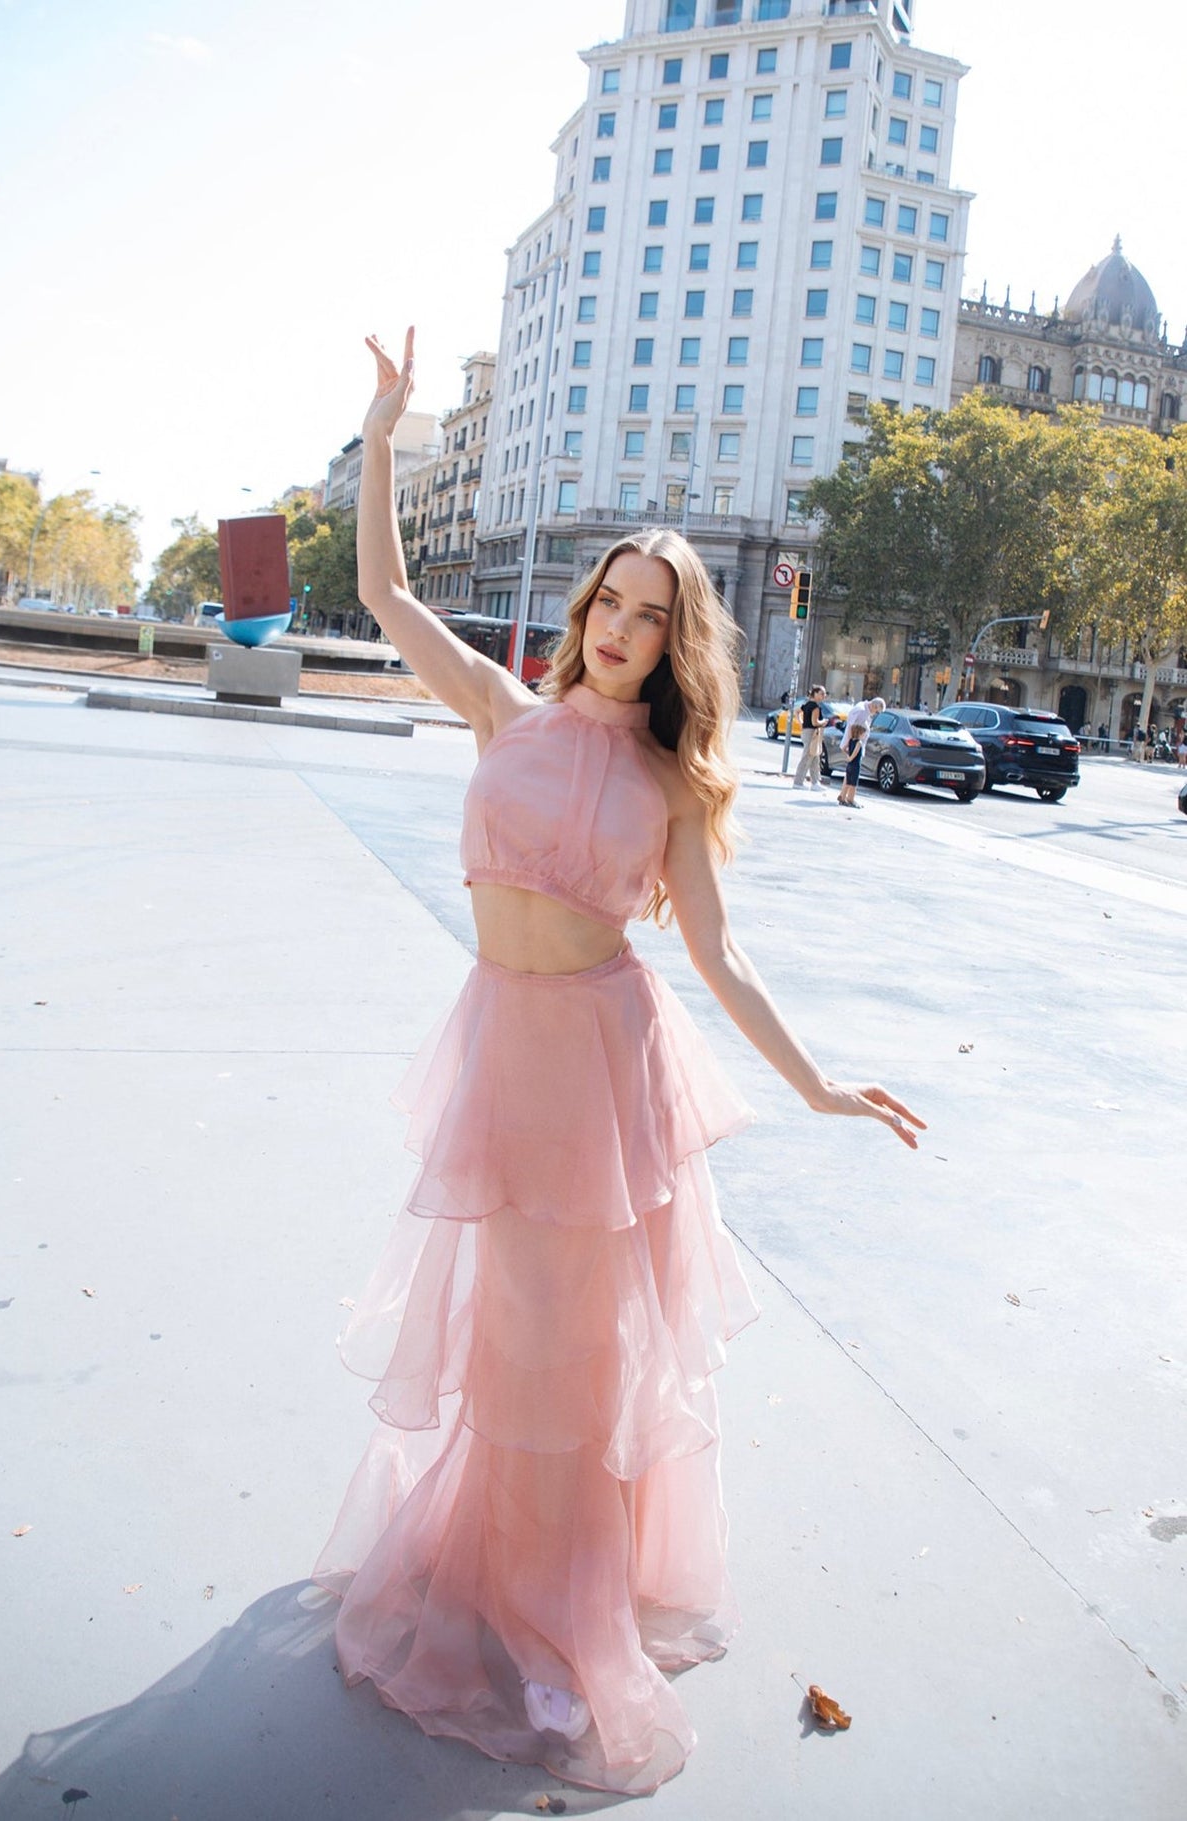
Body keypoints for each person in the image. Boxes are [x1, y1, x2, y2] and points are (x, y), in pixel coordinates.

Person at [312, 329, 924, 1797]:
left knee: (561, 1357)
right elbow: (386, 591)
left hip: (599, 1067)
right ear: (584, 606)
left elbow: (719, 958)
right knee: (499, 1344)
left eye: (654, 618)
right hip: (501, 1049)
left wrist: (815, 1084)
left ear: (670, 642)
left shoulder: (669, 783)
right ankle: (502, 1576)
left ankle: (559, 1607)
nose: (622, 629)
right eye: (612, 602)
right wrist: (385, 437)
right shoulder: (498, 712)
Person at [791, 683, 828, 790]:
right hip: (812, 733)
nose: (823, 696)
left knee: (815, 756)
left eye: (825, 694)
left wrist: (801, 722)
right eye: (822, 694)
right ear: (815, 694)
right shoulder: (815, 707)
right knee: (808, 757)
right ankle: (798, 782)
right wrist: (823, 722)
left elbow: (797, 711)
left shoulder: (807, 704)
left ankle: (815, 782)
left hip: (806, 731)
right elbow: (815, 722)